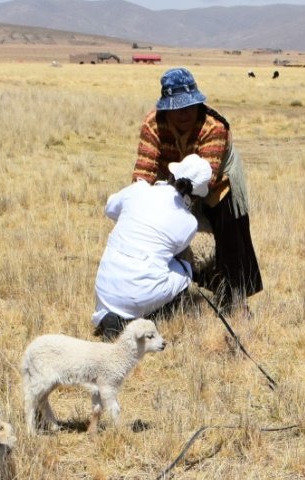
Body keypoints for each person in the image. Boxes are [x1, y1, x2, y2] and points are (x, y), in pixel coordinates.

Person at [133, 67, 263, 313]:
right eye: (177, 108)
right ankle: (164, 295)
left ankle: (235, 300)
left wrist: (175, 197)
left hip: (218, 179)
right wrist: (139, 203)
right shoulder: (152, 125)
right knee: (158, 229)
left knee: (230, 234)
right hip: (170, 179)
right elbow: (144, 170)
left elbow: (206, 179)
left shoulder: (214, 127)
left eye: (189, 106)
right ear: (166, 109)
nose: (184, 113)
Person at [93, 154, 213, 340]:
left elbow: (110, 208)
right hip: (138, 296)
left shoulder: (138, 189)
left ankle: (113, 318)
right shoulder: (189, 223)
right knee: (185, 268)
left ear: (172, 174)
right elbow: (173, 254)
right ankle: (152, 315)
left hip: (103, 291)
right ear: (196, 196)